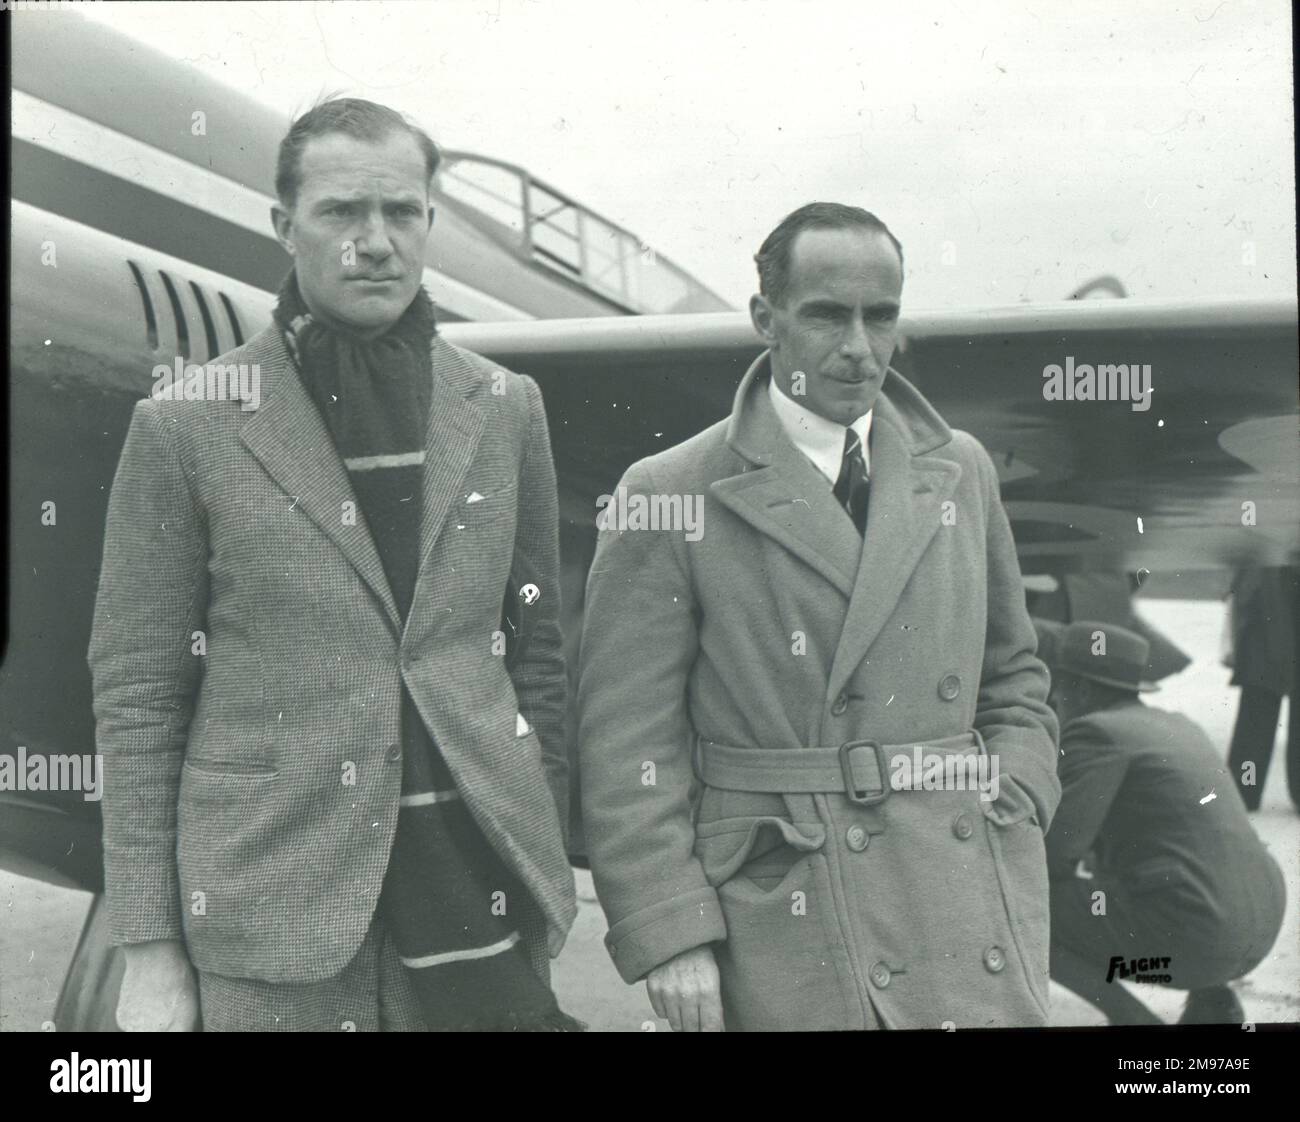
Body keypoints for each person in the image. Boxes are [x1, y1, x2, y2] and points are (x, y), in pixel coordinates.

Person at [89, 98, 579, 1031]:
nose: (376, 241)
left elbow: (536, 652)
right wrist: (150, 949)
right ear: (285, 227)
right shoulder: (185, 427)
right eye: (341, 213)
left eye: (402, 213)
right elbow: (140, 695)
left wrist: (534, 835)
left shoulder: (506, 406)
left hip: (482, 913)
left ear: (429, 222)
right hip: (277, 937)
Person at [577, 202, 1060, 1031]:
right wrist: (671, 932)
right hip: (789, 894)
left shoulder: (961, 469)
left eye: (883, 317)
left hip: (962, 882)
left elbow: (1016, 676)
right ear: (766, 319)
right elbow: (628, 745)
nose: (860, 347)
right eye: (828, 315)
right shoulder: (669, 492)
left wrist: (1017, 793)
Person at [1041, 619, 1286, 1024]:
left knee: (1019, 903)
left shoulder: (1097, 732)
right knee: (1164, 864)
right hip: (1259, 924)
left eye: (1058, 689)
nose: (1054, 701)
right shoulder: (1177, 725)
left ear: (1080, 688)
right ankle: (1212, 1003)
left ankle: (1132, 1018)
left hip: (1201, 932)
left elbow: (1054, 855)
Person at [1225, 566, 1299, 812]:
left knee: (1259, 700)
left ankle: (1245, 789)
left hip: (1267, 584)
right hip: (1270, 584)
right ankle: (1245, 789)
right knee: (1260, 694)